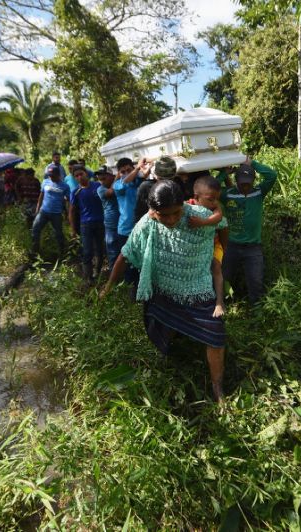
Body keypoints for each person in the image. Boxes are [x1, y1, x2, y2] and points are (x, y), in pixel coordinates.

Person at [100, 180, 228, 401]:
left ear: (183, 205)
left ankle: (217, 387)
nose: (170, 220)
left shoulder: (199, 215)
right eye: (163, 215)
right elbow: (125, 254)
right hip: (165, 291)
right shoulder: (147, 223)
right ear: (153, 210)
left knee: (215, 337)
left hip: (199, 289)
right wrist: (107, 287)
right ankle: (169, 361)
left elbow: (223, 224)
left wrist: (221, 252)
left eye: (175, 213)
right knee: (163, 331)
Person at [219, 158, 278, 306]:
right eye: (242, 183)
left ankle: (256, 311)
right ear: (236, 180)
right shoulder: (228, 194)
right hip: (231, 246)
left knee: (256, 282)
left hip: (253, 248)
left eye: (248, 183)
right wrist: (223, 173)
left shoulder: (258, 193)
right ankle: (222, 304)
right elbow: (211, 187)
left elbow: (272, 175)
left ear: (253, 180)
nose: (245, 186)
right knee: (223, 277)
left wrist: (252, 164)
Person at [187, 176, 229, 318]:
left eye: (217, 199)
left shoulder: (215, 208)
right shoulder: (187, 207)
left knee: (216, 267)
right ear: (196, 197)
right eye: (210, 199)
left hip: (213, 244)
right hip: (194, 249)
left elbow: (220, 220)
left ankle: (219, 302)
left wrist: (203, 222)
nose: (214, 203)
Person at [113, 157, 149, 291]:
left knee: (141, 261)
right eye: (123, 171)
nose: (126, 173)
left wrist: (147, 166)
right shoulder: (117, 185)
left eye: (129, 169)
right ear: (119, 173)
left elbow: (145, 175)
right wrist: (137, 168)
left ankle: (139, 290)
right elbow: (126, 180)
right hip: (125, 230)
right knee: (128, 262)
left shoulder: (138, 181)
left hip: (140, 229)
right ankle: (130, 293)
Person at [69, 165, 105, 282]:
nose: (79, 177)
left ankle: (97, 273)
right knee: (87, 251)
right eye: (76, 176)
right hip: (85, 225)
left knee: (100, 249)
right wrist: (73, 230)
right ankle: (87, 278)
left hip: (101, 223)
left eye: (81, 174)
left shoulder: (98, 186)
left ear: (86, 174)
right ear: (75, 178)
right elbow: (72, 212)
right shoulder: (75, 192)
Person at [32, 166, 70, 256]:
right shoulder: (45, 182)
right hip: (43, 212)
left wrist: (67, 213)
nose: (51, 177)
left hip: (56, 214)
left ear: (58, 175)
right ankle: (35, 252)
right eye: (50, 175)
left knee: (58, 234)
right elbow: (41, 196)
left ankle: (62, 253)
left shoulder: (65, 186)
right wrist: (37, 209)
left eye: (53, 175)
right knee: (35, 229)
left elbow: (68, 201)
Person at [95, 166, 119, 269]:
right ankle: (114, 278)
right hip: (111, 224)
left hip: (123, 223)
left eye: (104, 178)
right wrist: (118, 177)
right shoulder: (100, 189)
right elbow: (111, 192)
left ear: (111, 176)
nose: (101, 182)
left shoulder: (118, 184)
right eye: (100, 179)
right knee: (113, 252)